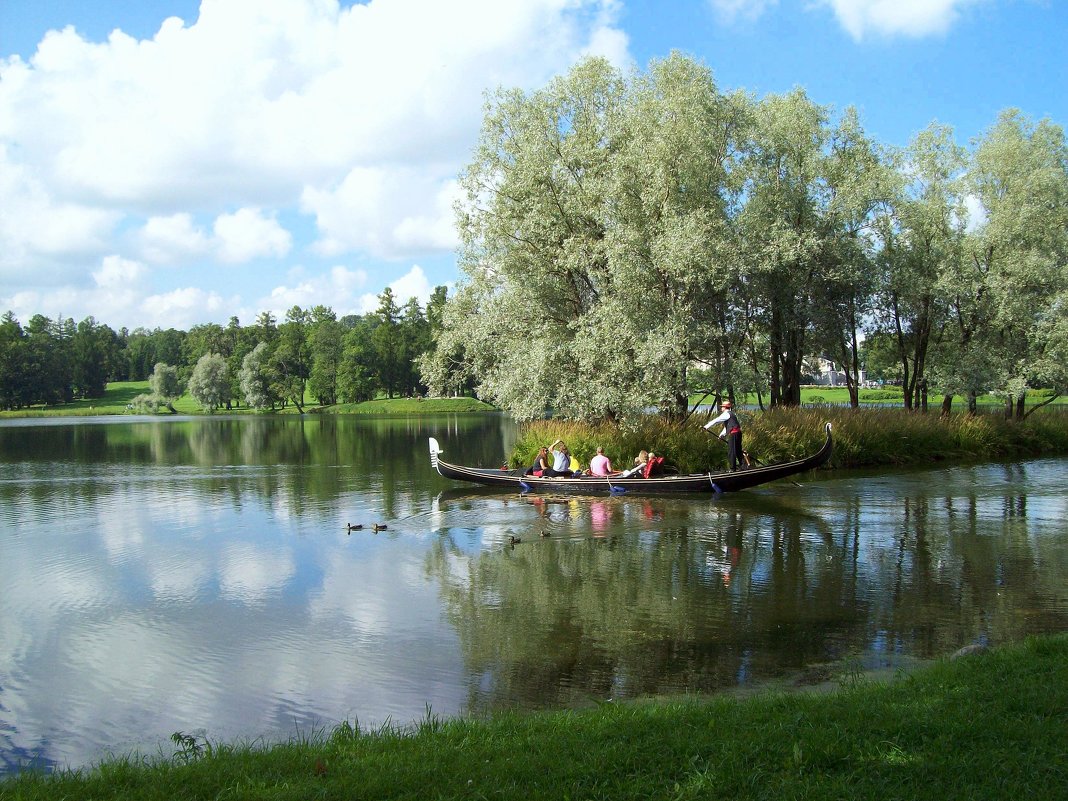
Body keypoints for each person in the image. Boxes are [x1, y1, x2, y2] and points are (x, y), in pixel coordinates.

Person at [704, 399, 744, 471]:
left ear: (725, 407)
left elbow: (716, 420)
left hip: (734, 434)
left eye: (722, 406)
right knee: (738, 451)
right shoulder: (732, 414)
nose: (721, 408)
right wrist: (722, 434)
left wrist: (706, 426)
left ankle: (733, 469)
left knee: (731, 451)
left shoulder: (726, 414)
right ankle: (743, 466)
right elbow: (728, 426)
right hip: (738, 433)